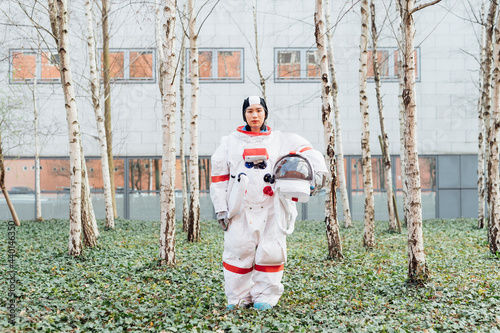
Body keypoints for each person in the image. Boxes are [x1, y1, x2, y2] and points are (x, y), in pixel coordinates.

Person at [210, 96, 327, 310]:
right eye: (249, 111)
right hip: (239, 210)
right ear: (244, 114)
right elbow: (219, 179)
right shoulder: (229, 143)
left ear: (265, 113)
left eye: (258, 110)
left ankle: (265, 297)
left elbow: (308, 151)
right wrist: (221, 210)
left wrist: (317, 174)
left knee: (271, 252)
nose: (254, 115)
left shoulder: (281, 139)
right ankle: (237, 299)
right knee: (238, 253)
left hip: (273, 208)